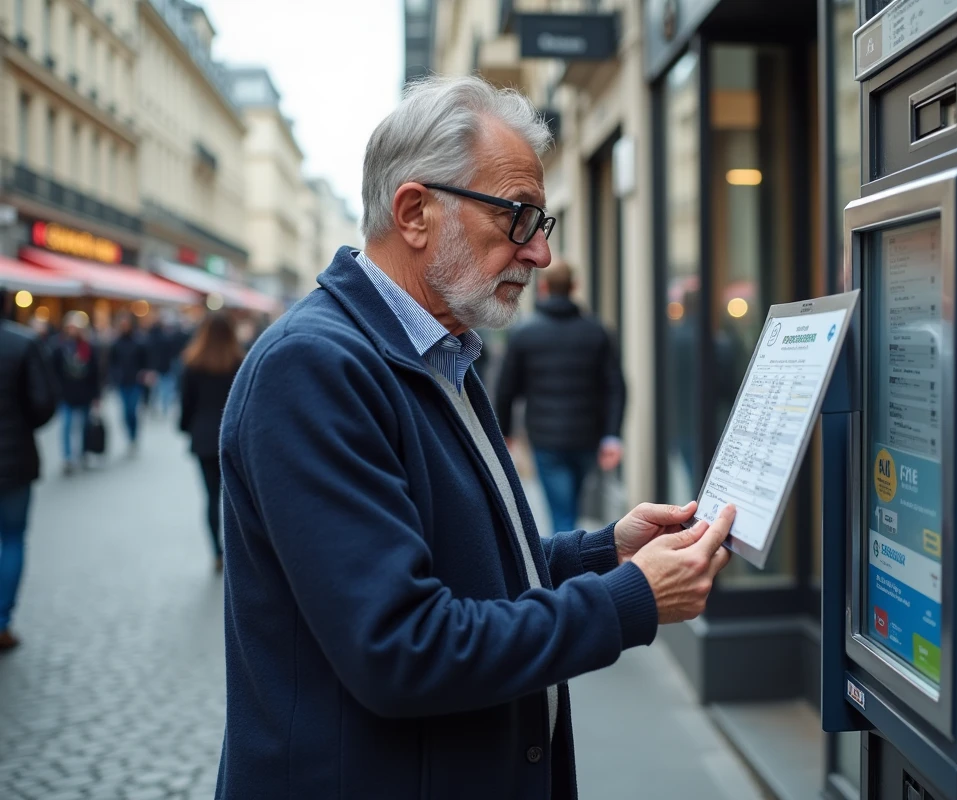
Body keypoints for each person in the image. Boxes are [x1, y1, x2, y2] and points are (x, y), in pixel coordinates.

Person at [215, 75, 734, 800]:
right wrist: (629, 599)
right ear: (416, 212)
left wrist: (604, 551)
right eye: (518, 217)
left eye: (542, 223)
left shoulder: (441, 350)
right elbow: (402, 647)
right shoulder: (313, 369)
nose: (539, 254)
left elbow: (470, 565)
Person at [495, 262, 627, 534]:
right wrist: (612, 435)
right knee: (572, 505)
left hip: (546, 439)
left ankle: (568, 566)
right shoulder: (596, 331)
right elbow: (615, 387)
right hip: (587, 436)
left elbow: (507, 388)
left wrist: (504, 432)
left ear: (542, 288)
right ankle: (575, 559)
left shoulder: (524, 333)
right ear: (574, 287)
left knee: (562, 512)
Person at [0, 293, 60, 650]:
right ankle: (2, 621)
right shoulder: (22, 344)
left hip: (15, 463)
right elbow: (43, 405)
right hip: (14, 462)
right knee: (12, 539)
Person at [179, 313, 243, 572]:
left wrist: (186, 427)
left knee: (210, 497)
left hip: (204, 438)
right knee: (235, 499)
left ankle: (217, 552)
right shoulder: (238, 360)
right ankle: (235, 550)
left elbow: (186, 404)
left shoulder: (193, 363)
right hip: (233, 437)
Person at [52, 311, 101, 473]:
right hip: (66, 393)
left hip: (85, 393)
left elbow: (95, 372)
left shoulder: (88, 347)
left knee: (85, 425)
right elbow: (54, 370)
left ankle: (84, 453)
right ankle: (67, 458)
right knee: (66, 426)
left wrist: (97, 395)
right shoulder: (59, 346)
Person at [106, 313, 149, 454]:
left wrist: (144, 373)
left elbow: (145, 360)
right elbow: (111, 363)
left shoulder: (138, 341)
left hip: (135, 381)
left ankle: (134, 436)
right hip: (122, 382)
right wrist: (114, 376)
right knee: (125, 412)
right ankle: (130, 437)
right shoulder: (116, 342)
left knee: (132, 410)